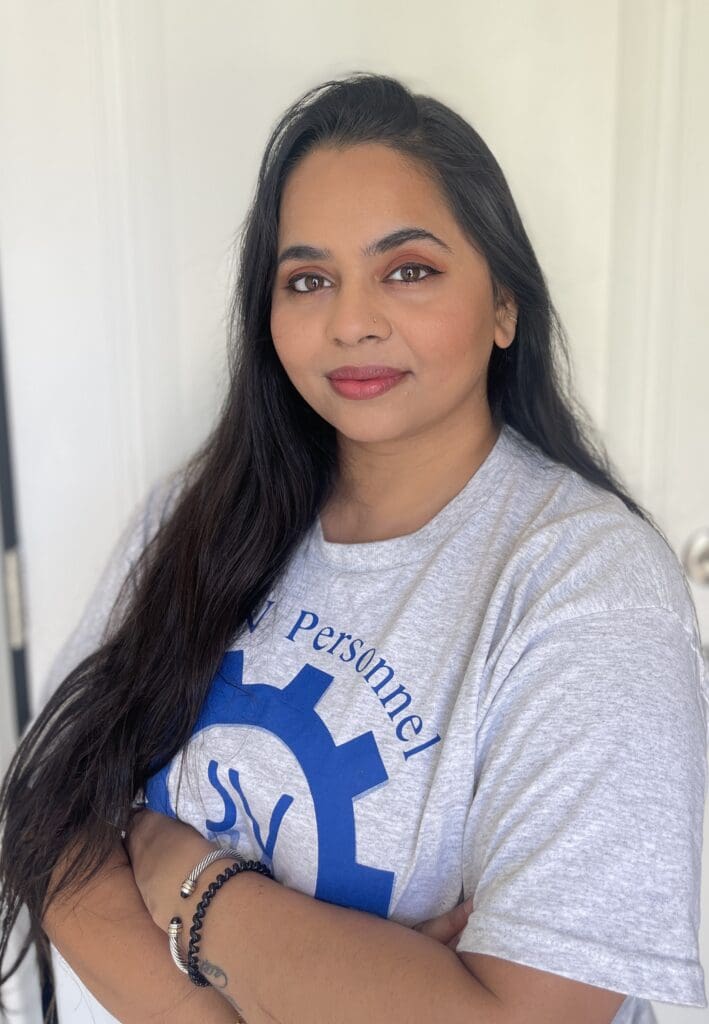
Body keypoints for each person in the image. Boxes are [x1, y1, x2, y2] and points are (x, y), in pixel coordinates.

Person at [0, 70, 707, 1024]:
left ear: (504, 305)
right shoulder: (195, 515)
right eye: (308, 279)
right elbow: (52, 821)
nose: (351, 321)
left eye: (407, 269)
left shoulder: (590, 588)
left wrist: (186, 881)